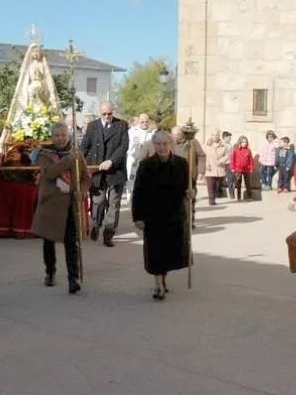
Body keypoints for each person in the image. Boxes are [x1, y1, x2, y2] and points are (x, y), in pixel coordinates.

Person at [132, 131, 193, 301]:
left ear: (170, 144)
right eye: (158, 144)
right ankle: (158, 285)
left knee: (168, 252)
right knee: (155, 252)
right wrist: (137, 216)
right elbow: (138, 192)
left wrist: (190, 193)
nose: (161, 147)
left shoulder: (182, 164)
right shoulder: (146, 165)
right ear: (153, 145)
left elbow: (188, 187)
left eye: (165, 144)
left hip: (174, 214)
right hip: (153, 215)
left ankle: (163, 280)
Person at [31, 122, 91, 294]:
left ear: (68, 135)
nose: (60, 138)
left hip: (70, 205)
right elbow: (49, 173)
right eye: (57, 135)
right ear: (52, 136)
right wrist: (67, 160)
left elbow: (86, 178)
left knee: (71, 243)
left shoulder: (76, 153)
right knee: (48, 242)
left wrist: (82, 191)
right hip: (51, 204)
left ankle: (73, 278)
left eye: (63, 135)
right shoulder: (44, 154)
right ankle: (50, 271)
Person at [81, 101, 129, 247]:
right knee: (98, 201)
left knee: (114, 203)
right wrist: (81, 164)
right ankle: (96, 223)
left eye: (110, 113)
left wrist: (111, 161)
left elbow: (124, 146)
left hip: (116, 170)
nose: (107, 116)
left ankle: (109, 234)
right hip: (97, 170)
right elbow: (85, 146)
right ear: (100, 113)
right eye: (104, 114)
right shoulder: (92, 126)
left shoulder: (122, 125)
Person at [202, 130, 228, 206]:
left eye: (217, 135)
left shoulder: (223, 145)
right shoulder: (206, 145)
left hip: (219, 167)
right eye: (214, 135)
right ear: (211, 135)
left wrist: (221, 161)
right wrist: (206, 164)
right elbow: (203, 155)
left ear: (219, 136)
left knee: (216, 185)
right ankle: (211, 200)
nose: (215, 136)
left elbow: (227, 155)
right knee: (210, 185)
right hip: (209, 168)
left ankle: (214, 198)